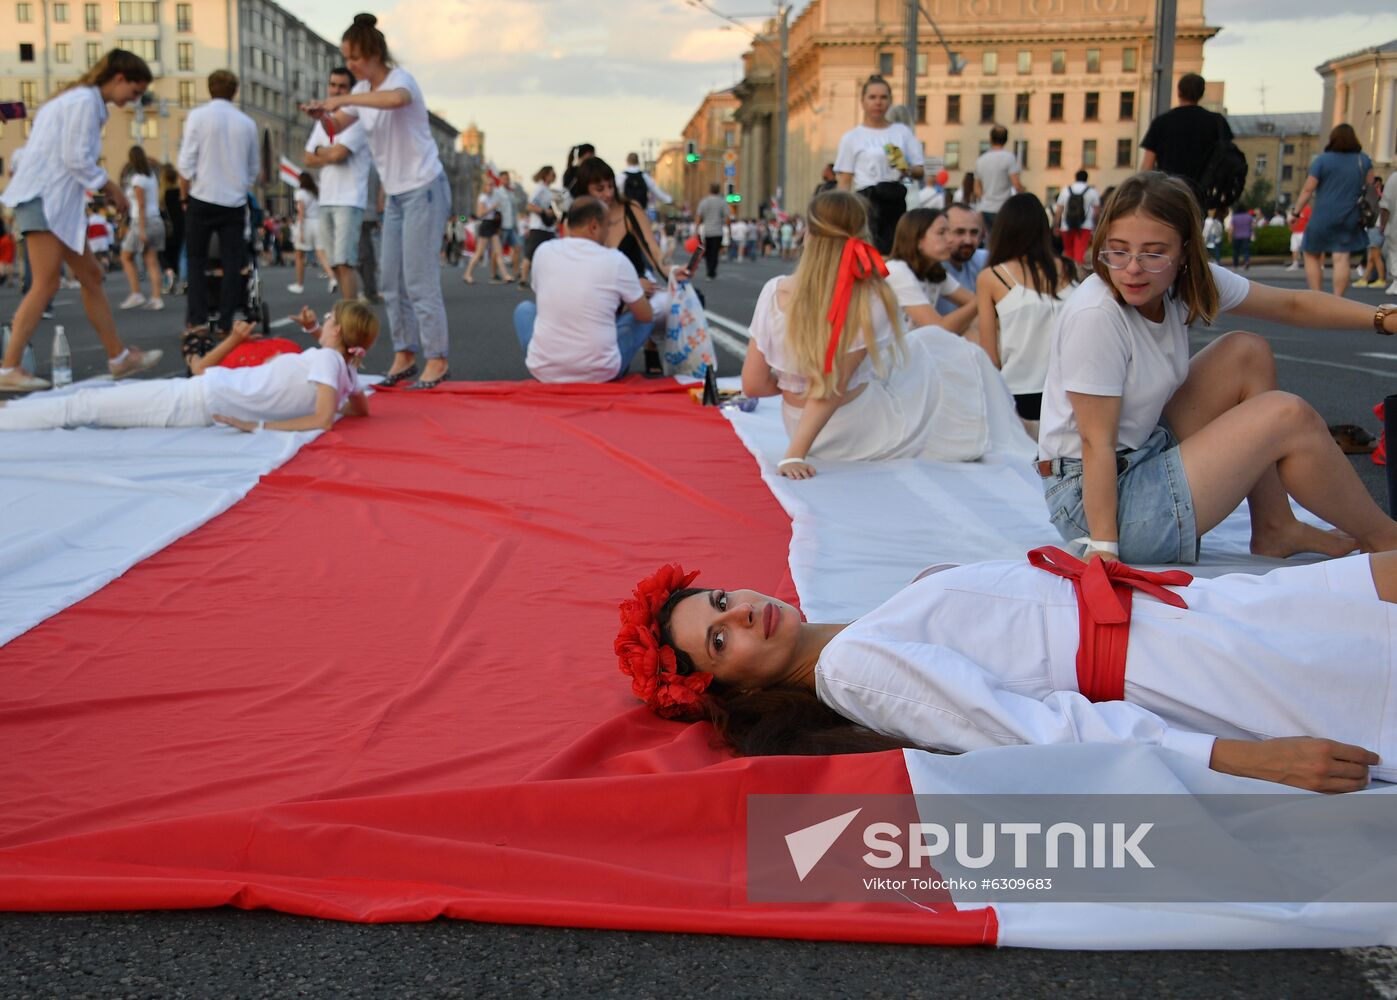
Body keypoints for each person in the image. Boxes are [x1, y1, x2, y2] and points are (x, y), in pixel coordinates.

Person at [618, 552, 1396, 792]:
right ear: (742, 689)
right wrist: (1244, 758)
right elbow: (1035, 732)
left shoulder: (854, 632)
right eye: (718, 641)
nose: (741, 613)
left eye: (720, 601)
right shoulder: (853, 667)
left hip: (1181, 609)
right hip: (1185, 660)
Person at [1037, 171, 1397, 566]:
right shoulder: (1096, 315)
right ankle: (1387, 539)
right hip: (1094, 502)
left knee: (1246, 353)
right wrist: (1104, 549)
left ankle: (1275, 524)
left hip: (1139, 452)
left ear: (1185, 252)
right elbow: (1095, 443)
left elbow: (1292, 305)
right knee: (1287, 415)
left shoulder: (1183, 282)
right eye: (1118, 250)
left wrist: (1383, 318)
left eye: (1154, 253)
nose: (1132, 268)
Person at [739, 191, 1020, 479]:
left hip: (798, 426)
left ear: (807, 234)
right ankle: (1011, 418)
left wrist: (795, 385)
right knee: (940, 351)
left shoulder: (774, 291)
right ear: (862, 234)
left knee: (923, 348)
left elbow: (753, 384)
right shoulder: (870, 295)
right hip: (856, 431)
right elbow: (833, 386)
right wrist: (794, 455)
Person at [302, 13, 452, 390]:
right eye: (346, 58)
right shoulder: (363, 92)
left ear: (373, 54)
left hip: (424, 188)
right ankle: (405, 353)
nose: (350, 64)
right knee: (391, 281)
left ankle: (437, 358)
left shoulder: (400, 81)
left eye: (354, 57)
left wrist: (344, 96)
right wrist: (322, 115)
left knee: (419, 279)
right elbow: (337, 124)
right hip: (397, 195)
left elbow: (394, 100)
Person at [0, 49, 163, 392]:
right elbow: (75, 158)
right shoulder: (84, 102)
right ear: (119, 78)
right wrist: (110, 187)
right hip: (46, 199)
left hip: (54, 201)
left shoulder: (82, 100)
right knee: (46, 284)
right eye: (134, 91)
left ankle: (118, 357)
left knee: (90, 276)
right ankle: (9, 366)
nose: (135, 100)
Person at [0, 300, 377, 432]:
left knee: (85, 406)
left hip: (197, 398)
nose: (324, 321)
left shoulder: (329, 362)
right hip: (203, 396)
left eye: (329, 319)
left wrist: (259, 425)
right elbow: (355, 407)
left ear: (337, 330)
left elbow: (323, 419)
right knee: (91, 404)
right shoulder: (343, 370)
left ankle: (8, 417)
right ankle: (12, 414)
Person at [513, 196, 656, 383]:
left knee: (524, 309)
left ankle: (549, 357)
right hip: (601, 372)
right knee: (650, 311)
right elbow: (645, 316)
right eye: (608, 226)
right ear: (594, 226)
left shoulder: (543, 251)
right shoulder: (616, 260)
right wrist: (635, 290)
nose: (609, 232)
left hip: (545, 371)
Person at [974, 192, 1077, 422]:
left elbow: (990, 356)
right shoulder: (1070, 270)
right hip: (1071, 390)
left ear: (1002, 229)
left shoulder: (992, 277)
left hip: (1019, 392)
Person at [179, 68, 260, 342]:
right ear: (235, 91)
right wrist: (239, 185)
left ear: (209, 88)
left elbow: (186, 163)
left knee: (196, 261)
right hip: (234, 202)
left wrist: (184, 197)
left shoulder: (197, 117)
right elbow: (253, 168)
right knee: (232, 264)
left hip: (202, 197)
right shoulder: (247, 124)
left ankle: (198, 320)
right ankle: (227, 322)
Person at [303, 65, 372, 302]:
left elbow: (338, 155)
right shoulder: (323, 122)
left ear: (351, 90)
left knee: (345, 262)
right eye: (333, 85)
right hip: (326, 199)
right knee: (333, 263)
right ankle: (350, 307)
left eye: (342, 86)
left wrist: (321, 151)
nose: (336, 90)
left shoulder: (358, 119)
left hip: (349, 200)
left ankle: (350, 313)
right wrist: (326, 152)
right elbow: (307, 158)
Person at [834, 74, 924, 254]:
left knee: (894, 254)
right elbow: (844, 180)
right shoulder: (852, 137)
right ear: (862, 101)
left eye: (883, 97)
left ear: (890, 100)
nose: (878, 102)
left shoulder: (902, 132)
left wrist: (905, 168)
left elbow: (919, 170)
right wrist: (840, 215)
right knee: (868, 253)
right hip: (866, 201)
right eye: (872, 97)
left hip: (895, 199)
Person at [1291, 124, 1374, 298]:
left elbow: (1308, 189)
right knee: (1342, 257)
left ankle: (1317, 296)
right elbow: (1371, 188)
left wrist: (1296, 212)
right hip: (1350, 216)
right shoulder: (1363, 160)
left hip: (1322, 216)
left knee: (1311, 253)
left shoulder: (1322, 160)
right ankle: (1337, 299)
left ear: (1333, 139)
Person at [883, 208, 976, 334]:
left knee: (974, 328)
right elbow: (938, 327)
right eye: (941, 232)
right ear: (918, 240)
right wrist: (982, 298)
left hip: (915, 344)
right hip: (890, 346)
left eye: (949, 231)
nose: (950, 239)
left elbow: (972, 301)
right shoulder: (897, 270)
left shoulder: (933, 269)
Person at [1139, 72, 1233, 194]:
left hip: (1169, 193)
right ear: (1201, 94)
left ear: (1179, 92)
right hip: (1202, 194)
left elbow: (1147, 166)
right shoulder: (1217, 122)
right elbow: (1227, 161)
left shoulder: (1162, 122)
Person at [117, 146, 165, 311]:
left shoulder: (138, 179)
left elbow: (141, 204)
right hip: (156, 220)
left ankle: (136, 293)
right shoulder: (151, 177)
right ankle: (156, 298)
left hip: (142, 222)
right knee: (151, 260)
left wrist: (142, 230)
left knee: (125, 257)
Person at [936, 203, 989, 319]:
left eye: (974, 232)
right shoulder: (930, 268)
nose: (968, 240)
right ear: (942, 233)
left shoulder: (983, 259)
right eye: (960, 232)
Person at [973, 125, 1024, 235]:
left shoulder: (981, 160)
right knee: (1004, 238)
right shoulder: (1009, 158)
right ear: (1006, 139)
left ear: (990, 139)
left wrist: (986, 198)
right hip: (1003, 207)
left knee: (990, 239)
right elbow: (1016, 184)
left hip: (986, 207)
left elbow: (977, 189)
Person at [518, 165, 559, 288]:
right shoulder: (539, 189)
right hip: (538, 227)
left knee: (549, 254)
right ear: (545, 175)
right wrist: (544, 211)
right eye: (552, 174)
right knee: (530, 253)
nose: (554, 176)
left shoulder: (549, 190)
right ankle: (523, 279)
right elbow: (529, 206)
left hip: (548, 227)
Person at [464, 176, 508, 285]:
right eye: (489, 184)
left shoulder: (493, 197)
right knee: (479, 253)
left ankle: (505, 275)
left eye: (492, 185)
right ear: (484, 186)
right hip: (485, 225)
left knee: (499, 251)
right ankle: (467, 274)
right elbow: (480, 214)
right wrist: (492, 207)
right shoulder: (482, 197)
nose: (491, 187)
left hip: (493, 225)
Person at [1051, 170, 1100, 266]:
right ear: (1087, 178)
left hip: (1066, 225)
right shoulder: (1092, 192)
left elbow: (1059, 210)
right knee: (1079, 252)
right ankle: (1077, 272)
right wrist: (1096, 225)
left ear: (1075, 177)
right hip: (1085, 226)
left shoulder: (1065, 190)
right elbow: (1097, 212)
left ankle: (1069, 272)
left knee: (1068, 252)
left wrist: (1056, 225)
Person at [289, 172, 324, 294]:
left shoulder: (300, 193)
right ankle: (332, 277)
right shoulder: (316, 192)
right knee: (321, 252)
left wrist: (301, 230)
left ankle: (299, 284)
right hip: (318, 222)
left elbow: (301, 213)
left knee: (299, 254)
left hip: (307, 223)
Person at [161, 163, 185, 295]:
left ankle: (169, 275)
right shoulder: (180, 193)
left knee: (163, 254)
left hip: (166, 229)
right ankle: (177, 281)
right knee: (177, 255)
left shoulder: (161, 195)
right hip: (180, 228)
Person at [695, 183, 727, 279]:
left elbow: (698, 216)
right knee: (715, 252)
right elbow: (727, 217)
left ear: (710, 190)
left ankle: (709, 270)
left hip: (707, 231)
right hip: (718, 231)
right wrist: (729, 229)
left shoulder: (704, 202)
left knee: (708, 252)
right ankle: (712, 271)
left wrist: (696, 229)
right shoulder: (722, 202)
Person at [1381, 169, 1397, 296]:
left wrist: (1382, 225)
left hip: (1394, 225)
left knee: (1394, 253)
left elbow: (1385, 206)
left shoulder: (1393, 178)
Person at [1227, 203, 1252, 270]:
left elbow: (1231, 228)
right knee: (1246, 250)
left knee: (1236, 251)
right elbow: (1252, 226)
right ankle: (1246, 262)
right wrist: (1253, 234)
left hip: (1237, 236)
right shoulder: (1248, 216)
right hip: (1246, 235)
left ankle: (1235, 264)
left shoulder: (1235, 217)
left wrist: (1229, 237)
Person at [1286, 202, 1310, 271]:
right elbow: (1291, 221)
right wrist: (1290, 223)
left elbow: (1309, 220)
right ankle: (1295, 264)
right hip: (1295, 232)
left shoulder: (1307, 209)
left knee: (1305, 250)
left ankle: (1308, 265)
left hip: (1303, 232)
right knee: (1294, 249)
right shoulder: (1295, 209)